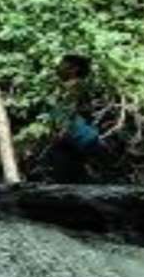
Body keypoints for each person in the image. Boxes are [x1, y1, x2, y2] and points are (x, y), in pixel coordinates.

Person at [40, 53, 107, 182]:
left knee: (66, 175)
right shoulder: (66, 87)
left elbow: (70, 110)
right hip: (73, 139)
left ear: (74, 69)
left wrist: (61, 131)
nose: (58, 67)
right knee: (71, 175)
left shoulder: (75, 86)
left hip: (78, 138)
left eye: (62, 64)